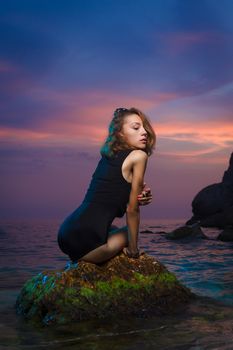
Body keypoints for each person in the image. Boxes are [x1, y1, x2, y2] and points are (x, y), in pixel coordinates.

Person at [57, 107, 156, 268]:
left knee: (113, 228)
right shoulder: (139, 155)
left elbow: (108, 192)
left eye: (145, 127)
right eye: (136, 127)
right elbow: (132, 211)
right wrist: (133, 251)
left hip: (66, 231)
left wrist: (139, 194)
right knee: (126, 231)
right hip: (86, 238)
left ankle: (81, 254)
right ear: (120, 134)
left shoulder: (108, 158)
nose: (144, 132)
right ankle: (86, 256)